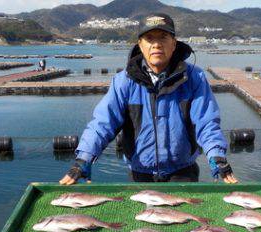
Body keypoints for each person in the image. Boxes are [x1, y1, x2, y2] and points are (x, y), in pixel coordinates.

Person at [60, 13, 237, 185]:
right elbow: (104, 122)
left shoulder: (194, 78)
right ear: (140, 44)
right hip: (140, 173)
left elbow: (206, 122)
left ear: (174, 43)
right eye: (150, 38)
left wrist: (217, 157)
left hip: (183, 172)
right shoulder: (124, 81)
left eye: (163, 37)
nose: (156, 44)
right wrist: (84, 159)